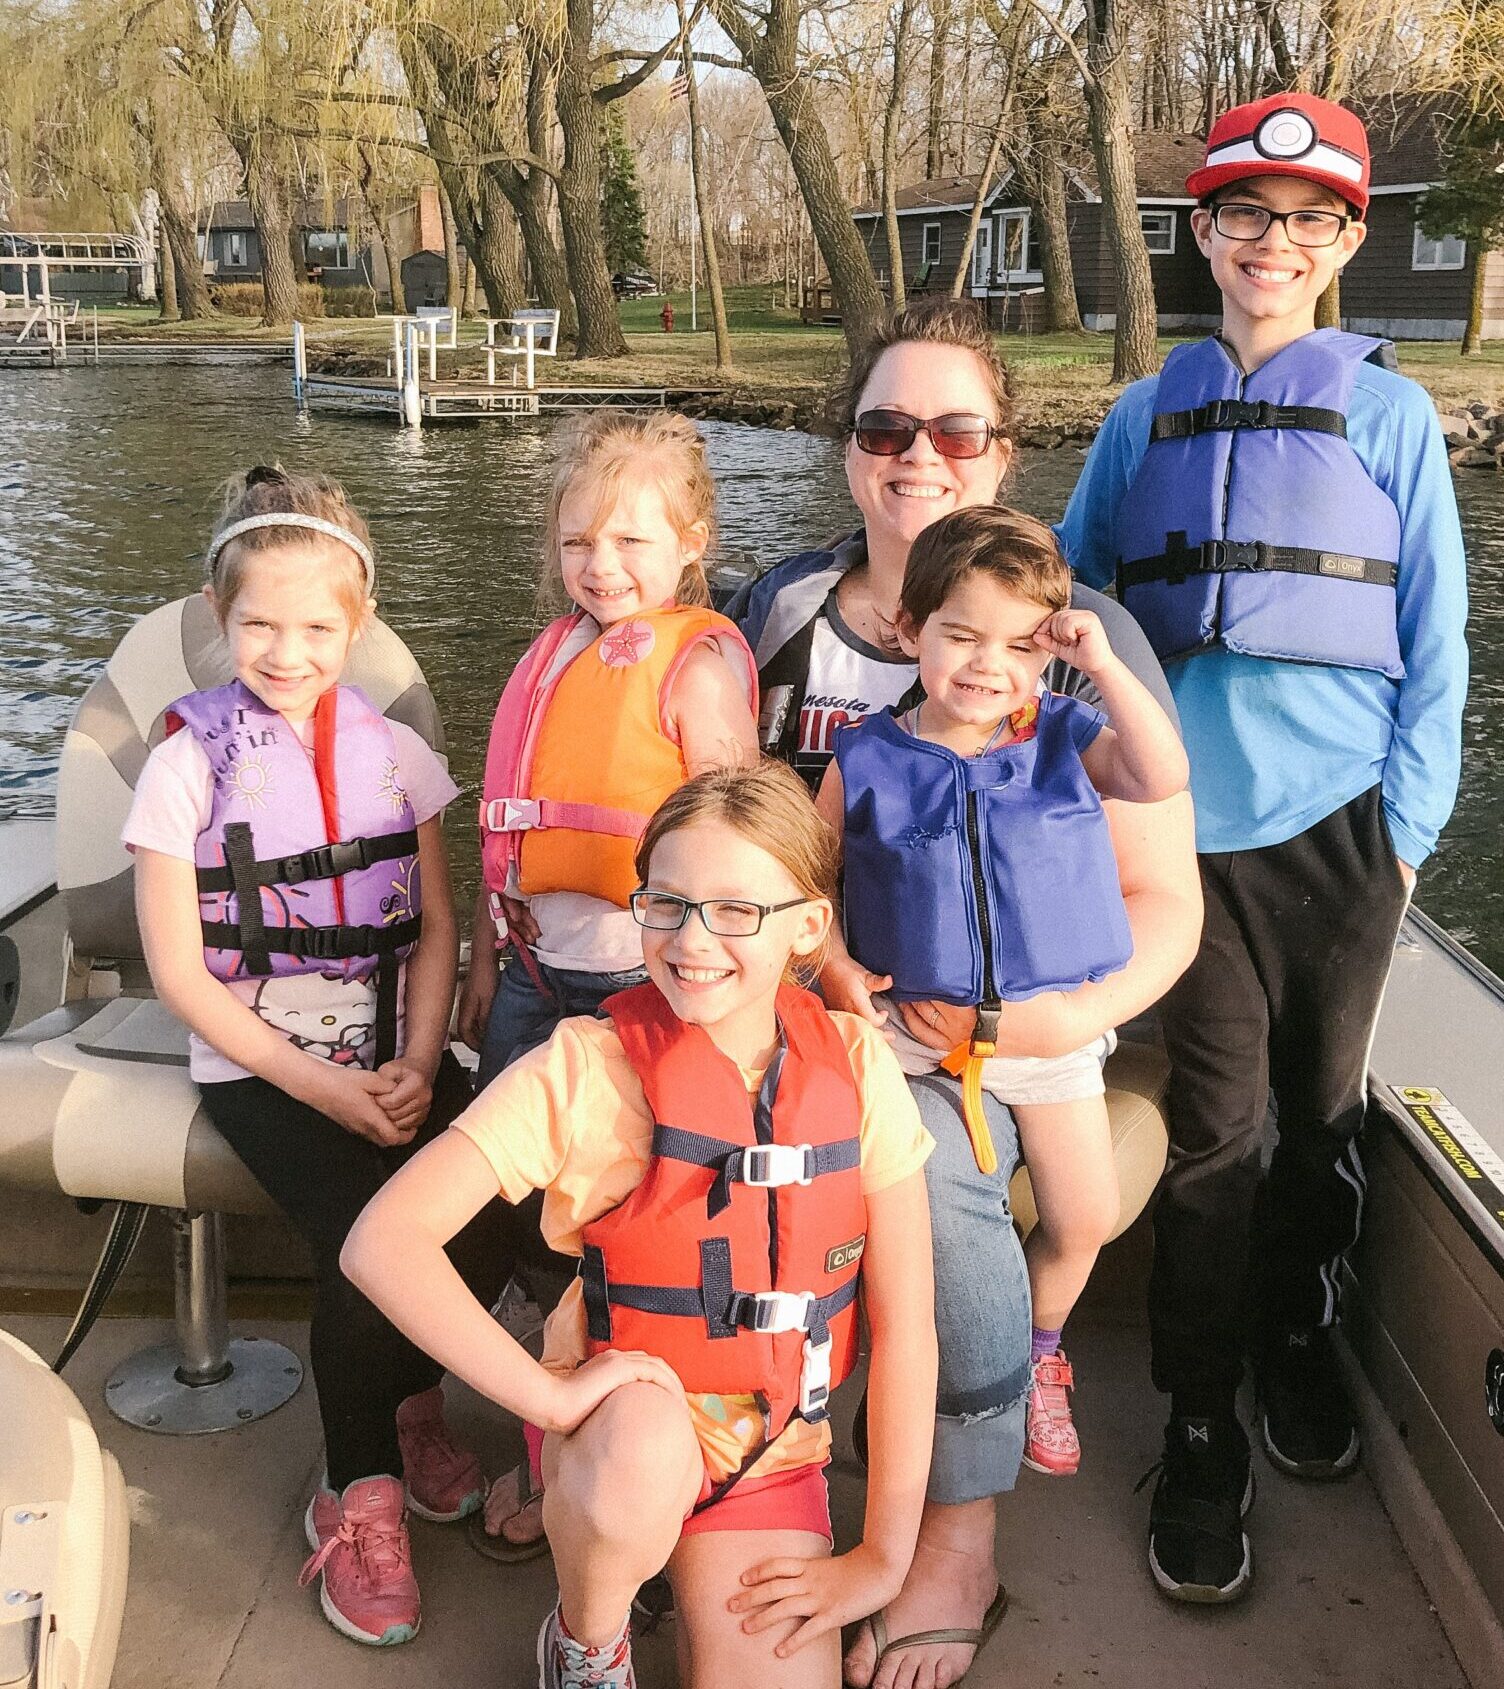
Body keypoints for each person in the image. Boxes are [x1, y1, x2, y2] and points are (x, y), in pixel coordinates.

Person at [735, 298, 1201, 1689]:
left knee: (947, 1195)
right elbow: (765, 839)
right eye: (886, 426)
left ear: (1001, 455)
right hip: (846, 1009)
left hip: (1037, 1025)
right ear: (849, 450)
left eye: (954, 429)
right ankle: (714, 1465)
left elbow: (1168, 900)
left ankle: (954, 1527)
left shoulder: (1077, 641)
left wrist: (1045, 1023)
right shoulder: (783, 616)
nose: (916, 454)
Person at [1058, 91, 1469, 1604]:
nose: (1274, 245)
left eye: (1307, 221)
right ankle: (1198, 1415)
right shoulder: (1137, 411)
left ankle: (1301, 1335)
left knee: (1324, 1113)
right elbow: (1081, 594)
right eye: (1245, 217)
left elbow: (1439, 646)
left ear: (1346, 239)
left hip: (1345, 837)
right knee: (1218, 1133)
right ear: (1204, 234)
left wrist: (1409, 838)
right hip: (1184, 848)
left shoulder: (1391, 412)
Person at [343, 761, 938, 1689]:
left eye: (738, 909)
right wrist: (549, 1402)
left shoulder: (859, 1065)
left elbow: (907, 1328)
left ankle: (657, 1553)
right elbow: (382, 1241)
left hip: (770, 1449)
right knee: (639, 1454)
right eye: (668, 904)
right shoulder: (583, 1064)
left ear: (809, 927)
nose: (694, 939)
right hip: (616, 1434)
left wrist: (884, 1558)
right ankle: (591, 1638)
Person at [127, 466, 506, 1647]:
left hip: (402, 1053)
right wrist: (329, 1087)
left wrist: (423, 1054)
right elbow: (186, 977)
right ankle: (358, 1489)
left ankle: (401, 1399)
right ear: (216, 615)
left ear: (360, 625)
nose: (287, 653)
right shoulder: (185, 765)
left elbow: (438, 925)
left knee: (501, 1204)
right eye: (258, 626)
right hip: (265, 1071)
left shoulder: (393, 755)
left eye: (317, 629)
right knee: (367, 1243)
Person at [816, 506, 1188, 1481]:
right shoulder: (861, 758)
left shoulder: (1070, 734)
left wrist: (1099, 665)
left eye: (1020, 645)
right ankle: (904, 1382)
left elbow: (1161, 774)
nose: (989, 666)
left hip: (1047, 1042)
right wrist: (833, 966)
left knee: (1082, 1218)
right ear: (909, 631)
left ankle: (1042, 1351)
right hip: (910, 1040)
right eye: (961, 636)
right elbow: (806, 883)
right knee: (903, 1226)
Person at [455, 409, 760, 1555]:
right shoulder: (550, 654)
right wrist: (486, 966)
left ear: (690, 545)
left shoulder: (694, 663)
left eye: (633, 542)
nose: (602, 566)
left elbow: (734, 830)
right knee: (542, 1221)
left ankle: (667, 1443)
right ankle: (563, 1425)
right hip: (537, 979)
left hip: (649, 996)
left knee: (643, 1222)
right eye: (580, 541)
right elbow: (506, 840)